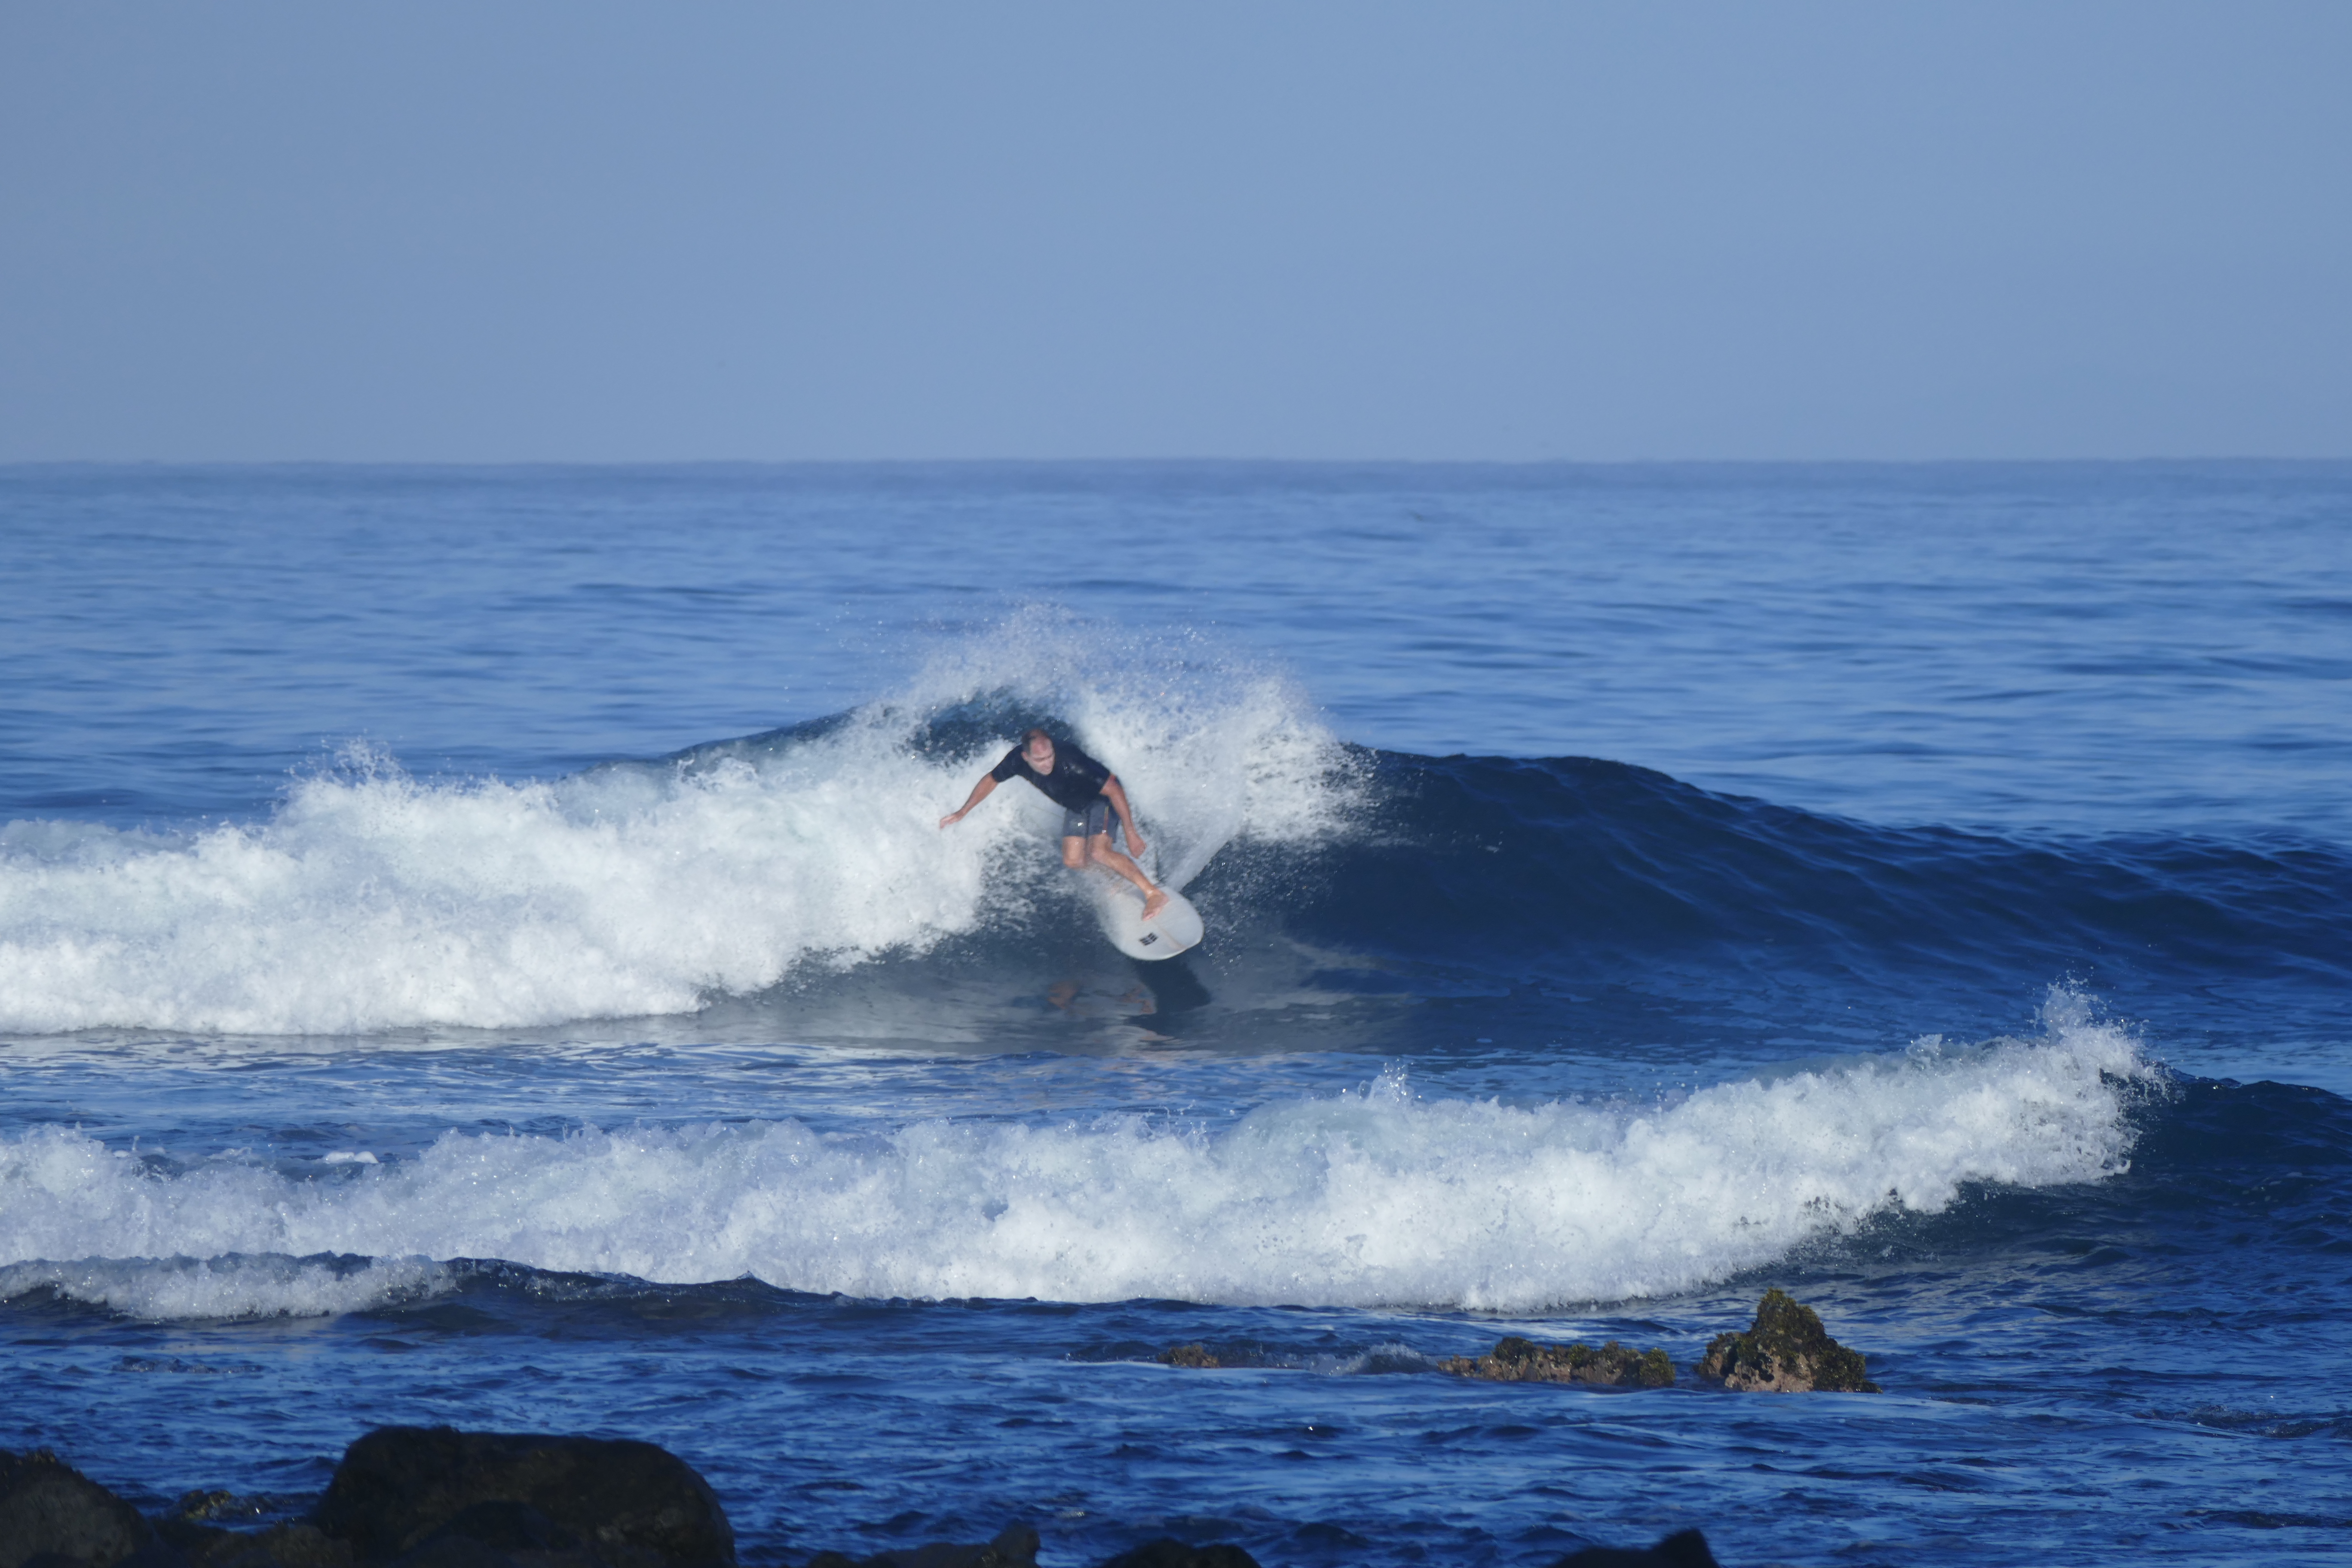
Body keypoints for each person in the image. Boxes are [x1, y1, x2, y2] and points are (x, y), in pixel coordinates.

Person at [940, 728, 1170, 919]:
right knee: (1073, 860)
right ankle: (1117, 879)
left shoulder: (1072, 762)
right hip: (1077, 806)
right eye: (1040, 760)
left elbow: (1114, 789)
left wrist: (1131, 832)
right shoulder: (1015, 762)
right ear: (1026, 757)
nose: (1048, 763)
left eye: (1050, 756)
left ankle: (1153, 893)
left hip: (1102, 800)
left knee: (1099, 852)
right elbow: (991, 779)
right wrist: (963, 811)